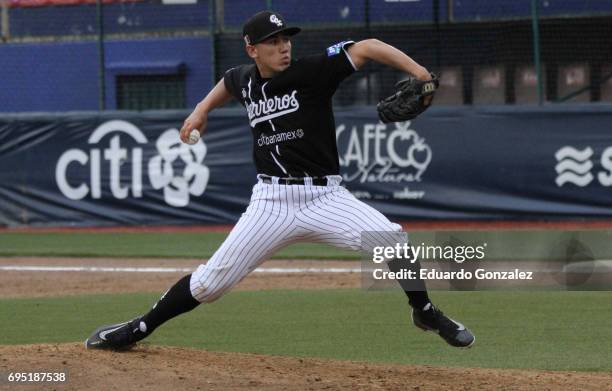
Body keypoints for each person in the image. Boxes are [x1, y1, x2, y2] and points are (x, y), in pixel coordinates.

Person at [86, 11, 474, 350]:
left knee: (392, 237)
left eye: (286, 38)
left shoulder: (313, 73)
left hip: (325, 197)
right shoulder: (246, 81)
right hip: (270, 203)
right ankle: (139, 327)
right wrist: (200, 110)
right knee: (209, 285)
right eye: (272, 42)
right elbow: (228, 81)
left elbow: (368, 46)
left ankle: (424, 311)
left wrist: (420, 74)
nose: (283, 47)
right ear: (252, 49)